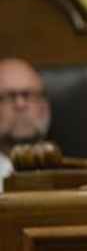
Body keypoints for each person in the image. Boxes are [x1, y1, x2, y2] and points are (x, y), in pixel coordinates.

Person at [0, 58, 51, 191]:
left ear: (45, 107)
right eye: (8, 97)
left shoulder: (76, 174)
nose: (20, 104)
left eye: (28, 95)